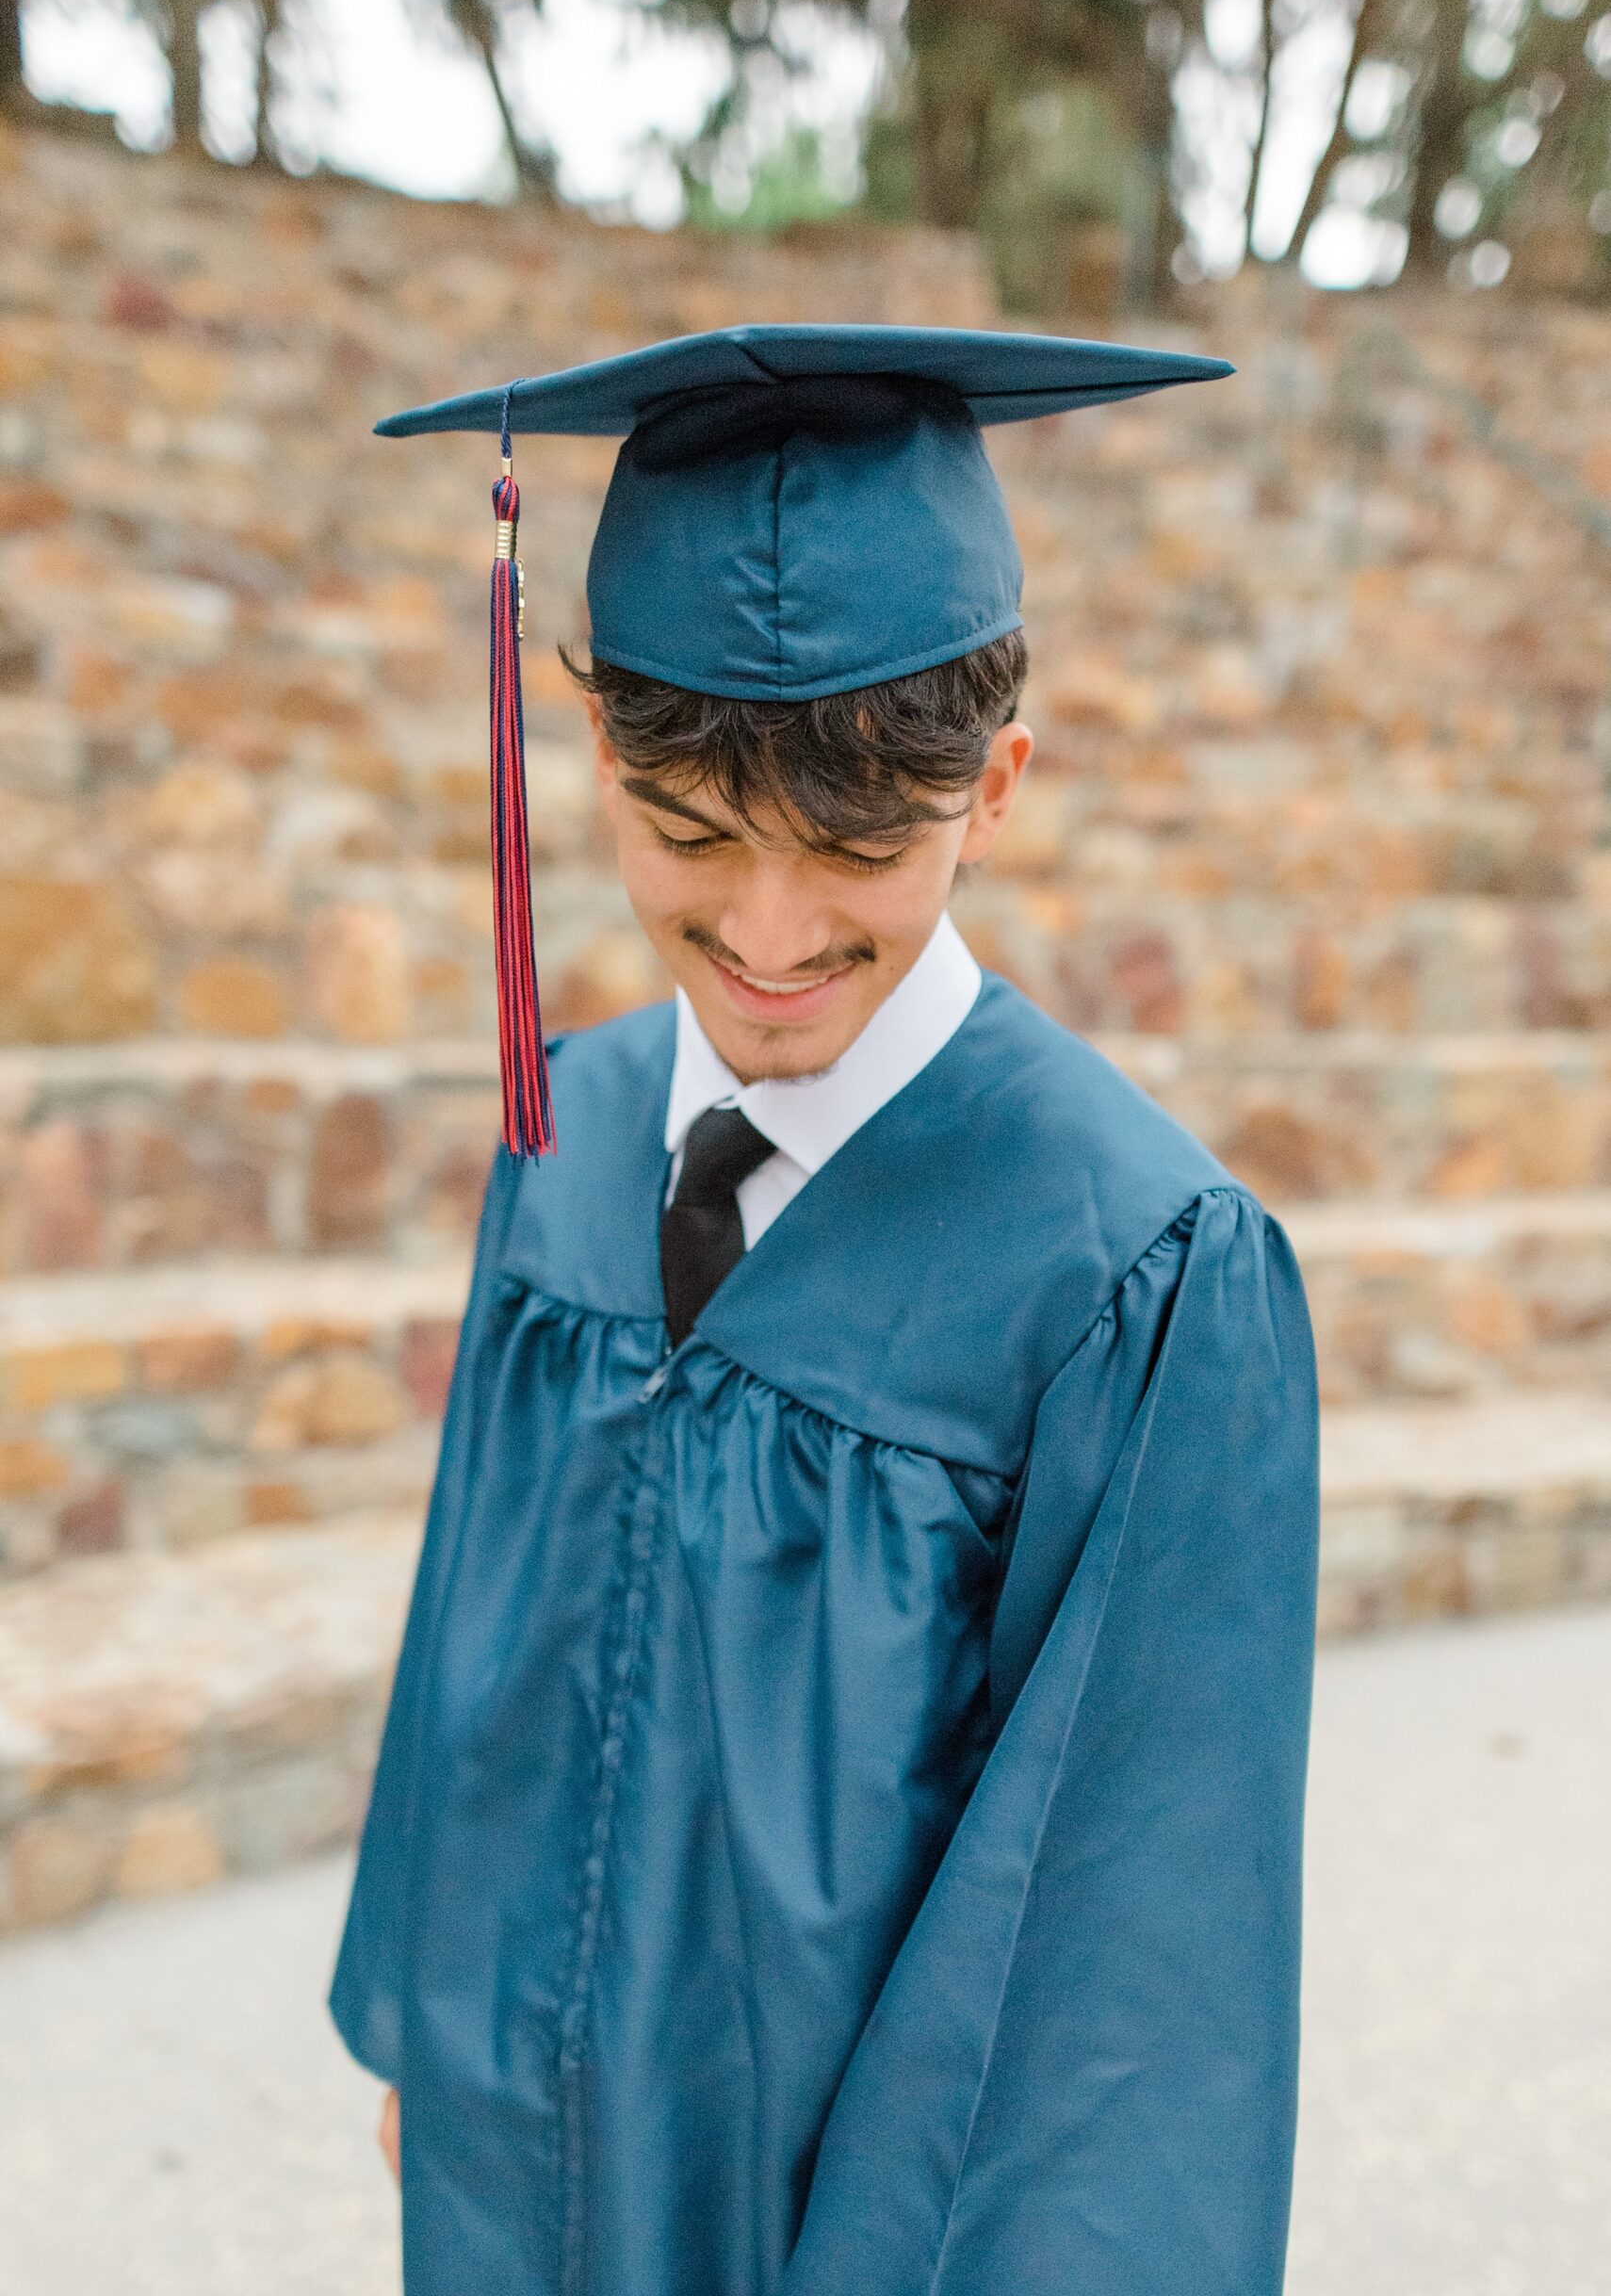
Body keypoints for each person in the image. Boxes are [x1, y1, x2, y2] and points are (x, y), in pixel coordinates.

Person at [330, 324, 1320, 2296]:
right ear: (596, 748)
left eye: (860, 850)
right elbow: (477, 1624)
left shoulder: (1136, 1271)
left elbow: (1119, 1952)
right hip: (523, 2181)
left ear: (1000, 783)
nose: (770, 936)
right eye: (689, 838)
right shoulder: (569, 1132)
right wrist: (427, 2022)